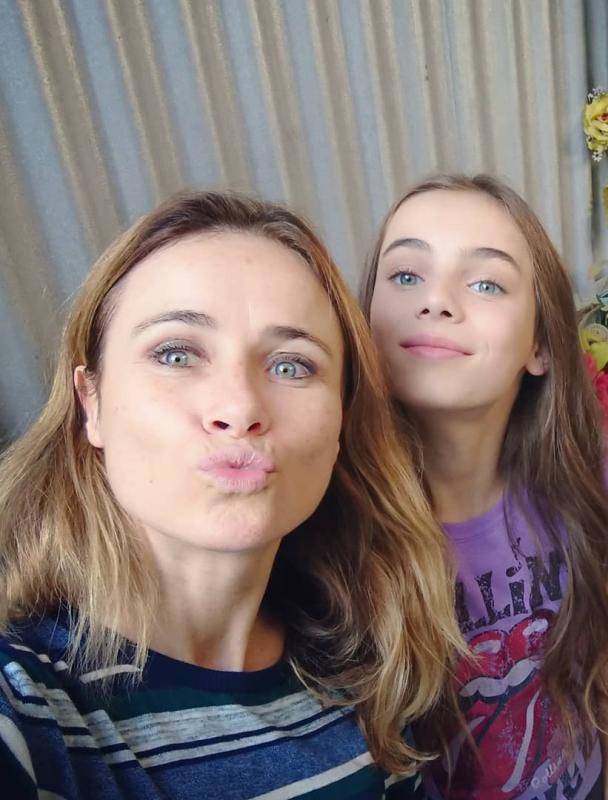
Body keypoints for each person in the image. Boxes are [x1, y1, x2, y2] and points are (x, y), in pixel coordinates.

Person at [0, 190, 464, 799]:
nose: (240, 407)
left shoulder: (368, 671)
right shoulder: (26, 705)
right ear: (92, 403)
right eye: (176, 354)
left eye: (292, 365)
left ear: (342, 420)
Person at [362, 175, 608, 800]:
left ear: (541, 345)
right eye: (406, 275)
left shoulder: (589, 478)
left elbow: (602, 640)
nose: (436, 301)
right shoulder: (337, 535)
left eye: (486, 283)